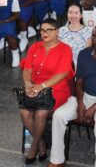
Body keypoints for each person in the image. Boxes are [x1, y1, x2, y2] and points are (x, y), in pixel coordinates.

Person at [49, 24, 96, 167]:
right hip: (84, 96)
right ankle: (56, 160)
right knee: (59, 115)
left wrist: (94, 107)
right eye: (94, 36)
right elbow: (79, 82)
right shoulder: (84, 54)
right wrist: (80, 103)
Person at [19, 18, 74, 164]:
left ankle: (34, 146)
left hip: (56, 88)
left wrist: (41, 87)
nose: (45, 33)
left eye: (49, 30)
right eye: (42, 30)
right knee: (24, 112)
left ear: (57, 32)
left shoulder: (65, 49)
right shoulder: (35, 47)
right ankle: (41, 142)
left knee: (41, 113)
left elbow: (62, 74)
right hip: (34, 87)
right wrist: (28, 84)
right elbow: (27, 68)